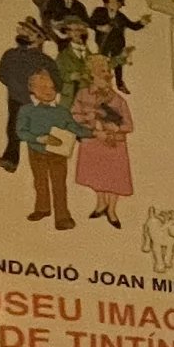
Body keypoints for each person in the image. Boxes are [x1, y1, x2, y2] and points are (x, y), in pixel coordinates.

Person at [71, 55, 134, 228]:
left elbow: (129, 125)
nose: (106, 75)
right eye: (101, 72)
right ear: (92, 75)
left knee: (114, 177)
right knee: (97, 174)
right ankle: (101, 204)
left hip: (114, 143)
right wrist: (89, 120)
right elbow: (74, 115)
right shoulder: (83, 94)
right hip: (93, 140)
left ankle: (112, 210)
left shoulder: (118, 100)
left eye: (107, 72)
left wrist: (116, 128)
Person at [16, 66, 76, 230]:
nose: (49, 91)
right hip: (36, 152)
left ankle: (62, 217)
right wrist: (39, 138)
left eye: (51, 87)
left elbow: (73, 127)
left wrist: (91, 133)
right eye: (43, 88)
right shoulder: (27, 110)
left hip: (58, 153)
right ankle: (42, 208)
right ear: (32, 90)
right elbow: (21, 132)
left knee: (59, 184)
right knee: (40, 181)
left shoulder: (62, 111)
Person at [0, 18, 52, 172]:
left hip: (33, 100)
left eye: (30, 32)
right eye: (24, 30)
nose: (25, 33)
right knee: (13, 127)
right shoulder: (11, 54)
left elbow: (53, 81)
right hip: (15, 96)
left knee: (32, 131)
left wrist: (36, 92)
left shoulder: (43, 61)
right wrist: (15, 85)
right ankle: (11, 160)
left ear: (39, 39)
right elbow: (2, 74)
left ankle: (15, 161)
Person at [87, 0, 148, 92]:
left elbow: (133, 26)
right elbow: (89, 22)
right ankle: (101, 84)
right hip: (103, 42)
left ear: (118, 3)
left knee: (118, 64)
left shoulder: (121, 17)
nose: (106, 0)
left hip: (117, 44)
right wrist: (100, 28)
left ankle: (119, 84)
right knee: (102, 63)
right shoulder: (99, 11)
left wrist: (142, 23)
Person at [53, 18, 93, 104]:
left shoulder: (90, 53)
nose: (75, 33)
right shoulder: (62, 56)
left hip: (88, 98)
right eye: (71, 30)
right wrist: (70, 76)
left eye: (78, 30)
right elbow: (56, 74)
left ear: (82, 32)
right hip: (69, 97)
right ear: (67, 33)